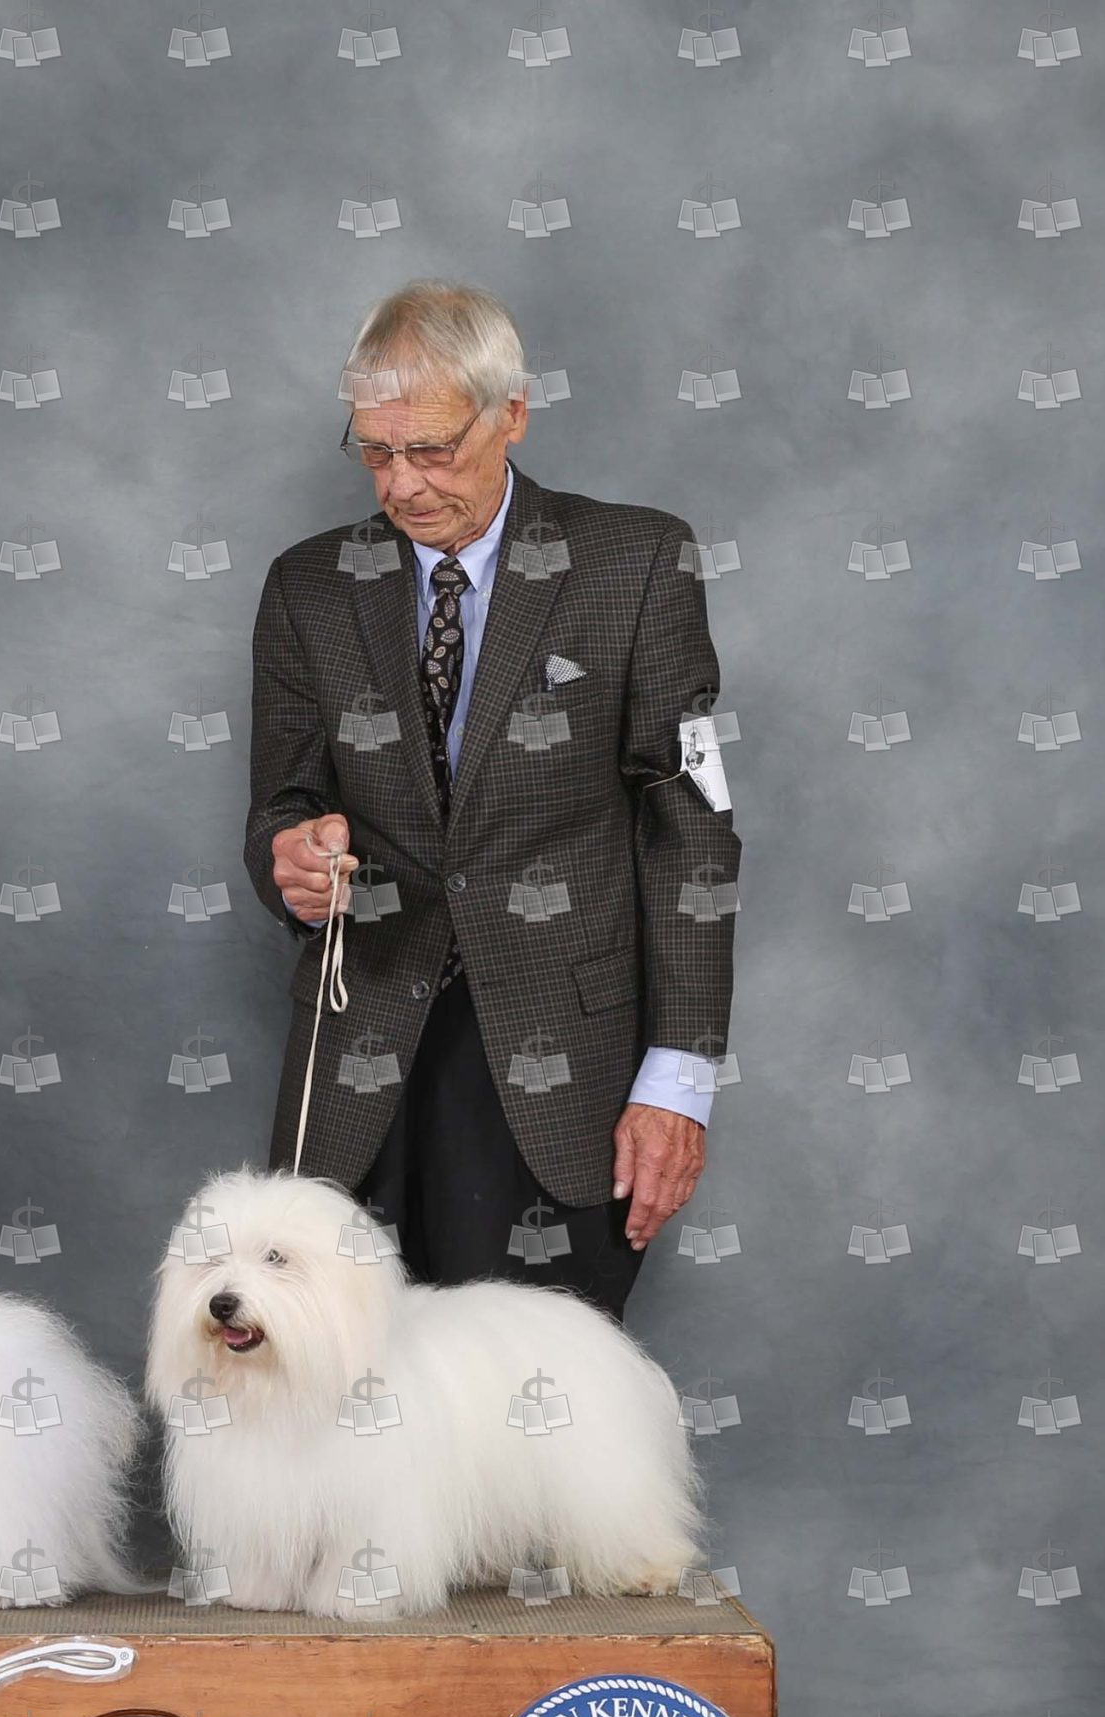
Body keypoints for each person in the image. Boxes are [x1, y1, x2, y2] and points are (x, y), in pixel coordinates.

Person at [246, 280, 740, 1320]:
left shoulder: (637, 563)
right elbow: (280, 804)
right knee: (336, 1390)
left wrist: (678, 1079)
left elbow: (690, 833)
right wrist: (291, 856)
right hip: (361, 1050)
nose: (403, 484)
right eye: (376, 453)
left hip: (565, 1065)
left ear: (511, 412)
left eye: (431, 449)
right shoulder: (308, 585)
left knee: (538, 1393)